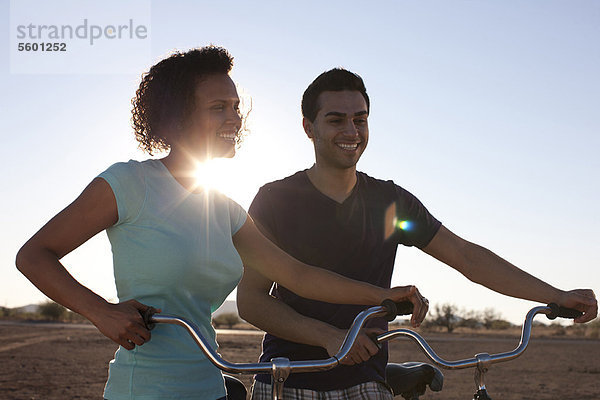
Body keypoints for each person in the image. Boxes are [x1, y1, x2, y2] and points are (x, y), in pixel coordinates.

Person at [15, 48, 428, 400]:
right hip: (145, 389)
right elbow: (34, 255)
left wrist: (383, 294)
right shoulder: (129, 183)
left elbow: (297, 275)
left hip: (210, 387)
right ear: (176, 116)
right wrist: (100, 312)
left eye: (235, 106)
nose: (234, 117)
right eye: (218, 108)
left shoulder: (224, 207)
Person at [236, 68, 598, 399]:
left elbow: (466, 256)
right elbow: (251, 300)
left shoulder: (391, 205)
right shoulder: (276, 200)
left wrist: (556, 294)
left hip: (365, 382)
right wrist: (328, 337)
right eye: (336, 120)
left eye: (360, 120)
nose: (351, 131)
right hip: (287, 379)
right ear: (308, 127)